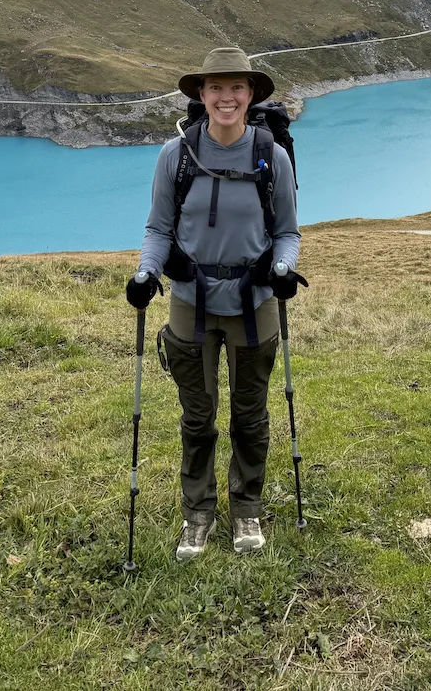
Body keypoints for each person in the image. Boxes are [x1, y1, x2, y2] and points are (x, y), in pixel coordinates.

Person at [126, 47, 302, 561]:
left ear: (250, 96)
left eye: (237, 88)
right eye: (216, 88)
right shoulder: (174, 156)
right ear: (201, 96)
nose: (227, 97)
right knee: (197, 417)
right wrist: (145, 273)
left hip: (255, 302)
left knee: (251, 414)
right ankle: (197, 514)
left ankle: (247, 507)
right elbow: (159, 228)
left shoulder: (272, 155)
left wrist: (283, 269)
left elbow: (287, 231)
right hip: (190, 303)